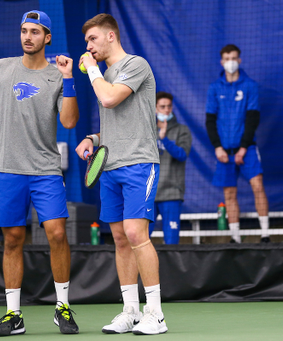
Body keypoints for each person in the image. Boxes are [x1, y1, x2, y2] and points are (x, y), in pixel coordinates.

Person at [0, 10, 80, 336]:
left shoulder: (58, 75)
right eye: (24, 31)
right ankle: (14, 316)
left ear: (48, 37)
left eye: (35, 32)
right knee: (13, 240)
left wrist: (69, 79)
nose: (28, 37)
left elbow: (69, 122)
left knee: (57, 232)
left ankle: (63, 307)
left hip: (45, 169)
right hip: (9, 171)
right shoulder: (2, 68)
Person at [75, 14, 167, 335]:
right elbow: (115, 121)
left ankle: (155, 313)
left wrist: (91, 69)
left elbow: (110, 98)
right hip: (111, 166)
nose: (88, 47)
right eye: (87, 41)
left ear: (111, 36)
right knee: (119, 238)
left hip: (140, 163)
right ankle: (130, 311)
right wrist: (93, 139)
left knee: (135, 233)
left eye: (93, 40)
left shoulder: (136, 64)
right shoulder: (105, 75)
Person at [206, 44, 270, 244]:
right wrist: (217, 146)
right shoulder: (215, 88)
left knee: (257, 186)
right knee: (229, 193)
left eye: (234, 58)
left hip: (247, 149)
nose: (230, 62)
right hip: (224, 151)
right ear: (221, 61)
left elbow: (253, 118)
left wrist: (243, 147)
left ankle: (266, 234)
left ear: (239, 60)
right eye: (227, 58)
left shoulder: (249, 85)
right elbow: (210, 120)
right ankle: (235, 237)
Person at [148, 92, 192, 244]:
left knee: (172, 241)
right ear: (154, 109)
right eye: (162, 107)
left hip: (172, 193)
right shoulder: (146, 130)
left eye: (169, 106)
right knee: (142, 240)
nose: (166, 110)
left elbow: (182, 155)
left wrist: (164, 138)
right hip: (149, 194)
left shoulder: (182, 130)